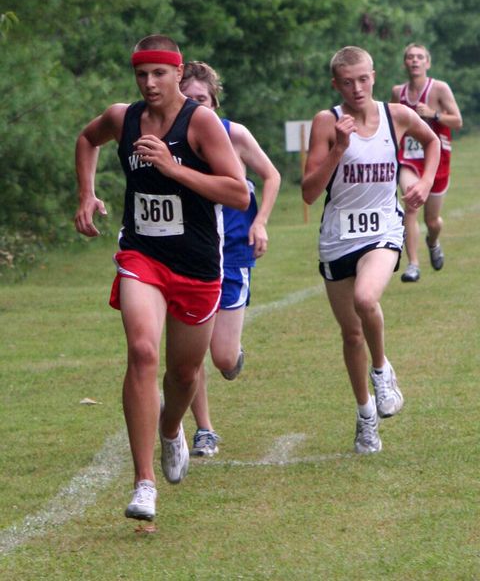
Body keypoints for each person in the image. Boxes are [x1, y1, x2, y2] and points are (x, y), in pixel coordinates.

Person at [74, 35, 249, 521]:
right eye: (141, 75)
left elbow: (238, 193)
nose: (149, 84)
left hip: (196, 264)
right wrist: (86, 193)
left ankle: (172, 430)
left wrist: (174, 169)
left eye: (158, 74)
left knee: (184, 374)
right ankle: (143, 482)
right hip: (142, 255)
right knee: (142, 351)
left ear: (177, 72)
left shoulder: (201, 122)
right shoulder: (123, 118)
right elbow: (87, 139)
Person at [302, 46, 440, 453]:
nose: (357, 88)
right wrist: (339, 148)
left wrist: (425, 182)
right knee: (350, 334)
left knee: (366, 298)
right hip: (337, 237)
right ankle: (365, 416)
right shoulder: (326, 122)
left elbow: (432, 142)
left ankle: (382, 371)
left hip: (383, 229)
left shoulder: (396, 116)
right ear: (336, 85)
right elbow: (309, 192)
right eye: (348, 82)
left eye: (363, 79)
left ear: (374, 77)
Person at [179, 61, 281, 457]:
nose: (195, 106)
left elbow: (271, 176)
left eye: (201, 99)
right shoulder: (172, 139)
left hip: (233, 250)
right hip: (190, 252)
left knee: (222, 357)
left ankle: (233, 355)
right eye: (187, 99)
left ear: (214, 101)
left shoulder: (233, 134)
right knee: (191, 352)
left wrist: (261, 221)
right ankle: (204, 429)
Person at [391, 43, 463, 282]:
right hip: (409, 159)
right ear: (405, 63)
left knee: (432, 221)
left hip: (437, 160)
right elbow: (392, 125)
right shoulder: (398, 93)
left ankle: (433, 242)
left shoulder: (439, 88)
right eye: (410, 57)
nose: (415, 60)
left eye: (420, 57)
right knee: (411, 204)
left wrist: (434, 114)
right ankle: (413, 264)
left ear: (427, 63)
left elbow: (457, 121)